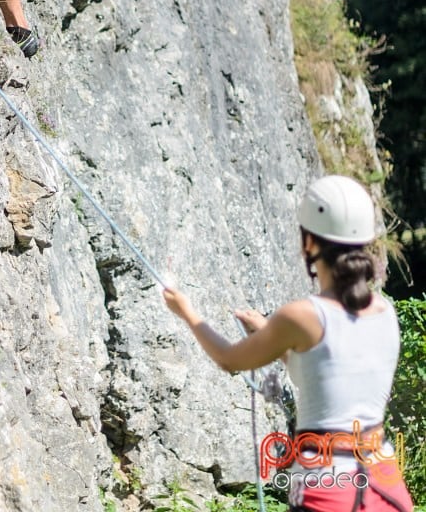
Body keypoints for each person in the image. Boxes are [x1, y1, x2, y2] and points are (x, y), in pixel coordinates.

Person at [163, 175, 413, 512]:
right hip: (385, 484)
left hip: (328, 487)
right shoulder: (386, 313)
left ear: (308, 242)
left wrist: (187, 312)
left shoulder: (301, 315)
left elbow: (228, 359)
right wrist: (274, 336)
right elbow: (331, 375)